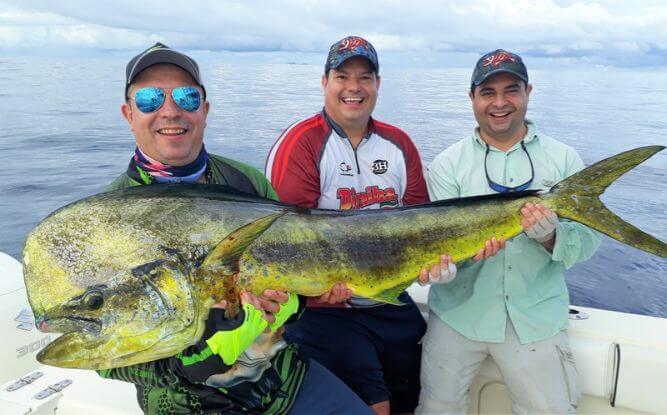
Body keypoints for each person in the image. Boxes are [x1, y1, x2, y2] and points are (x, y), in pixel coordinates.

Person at [98, 42, 372, 415]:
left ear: (205, 111)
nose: (170, 111)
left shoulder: (247, 182)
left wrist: (293, 300)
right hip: (186, 403)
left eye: (186, 97)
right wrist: (187, 363)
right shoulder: (106, 213)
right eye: (149, 100)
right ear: (128, 113)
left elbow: (294, 283)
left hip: (283, 377)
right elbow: (98, 351)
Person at [416, 49, 603, 414]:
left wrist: (551, 237)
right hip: (459, 315)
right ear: (472, 98)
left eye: (511, 90)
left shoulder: (563, 160)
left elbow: (587, 242)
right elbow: (435, 245)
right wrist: (448, 267)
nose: (500, 103)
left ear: (528, 92)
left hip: (535, 319)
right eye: (488, 93)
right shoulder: (446, 165)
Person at [266, 35, 438, 415]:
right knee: (375, 403)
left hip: (387, 296)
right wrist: (315, 294)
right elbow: (281, 242)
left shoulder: (399, 144)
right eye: (343, 76)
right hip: (325, 309)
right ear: (325, 81)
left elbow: (422, 225)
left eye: (365, 77)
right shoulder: (302, 143)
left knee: (413, 388)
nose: (354, 88)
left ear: (377, 84)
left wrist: (436, 266)